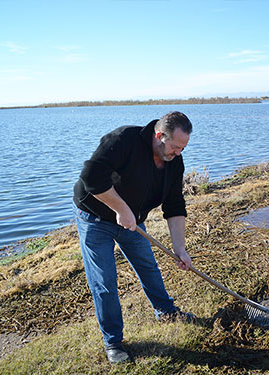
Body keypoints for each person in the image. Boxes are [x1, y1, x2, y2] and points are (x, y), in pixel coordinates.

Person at [73, 111, 195, 364]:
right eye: (175, 147)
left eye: (183, 148)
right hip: (95, 219)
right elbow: (91, 177)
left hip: (132, 222)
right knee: (105, 282)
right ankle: (113, 341)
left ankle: (166, 311)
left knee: (149, 267)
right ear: (159, 136)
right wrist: (120, 208)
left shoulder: (174, 162)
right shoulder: (124, 139)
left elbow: (174, 205)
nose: (178, 153)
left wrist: (180, 248)